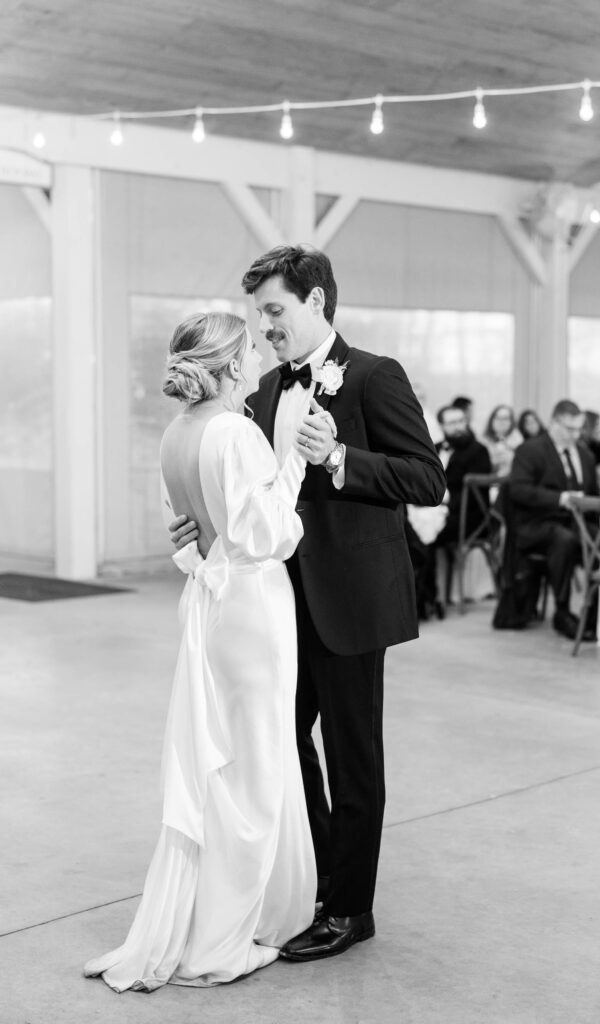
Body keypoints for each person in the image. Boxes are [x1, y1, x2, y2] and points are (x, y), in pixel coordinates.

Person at [169, 245, 446, 962]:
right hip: (275, 606)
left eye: (274, 311)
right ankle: (317, 880)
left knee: (353, 758)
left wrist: (339, 459)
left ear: (316, 301)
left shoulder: (376, 377)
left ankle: (352, 910)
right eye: (259, 313)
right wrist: (204, 520)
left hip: (352, 602)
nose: (264, 328)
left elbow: (426, 479)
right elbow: (254, 498)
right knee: (281, 747)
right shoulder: (260, 391)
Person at [84, 312, 317, 992]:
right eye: (247, 352)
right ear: (227, 365)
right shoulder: (238, 433)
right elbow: (269, 535)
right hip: (251, 607)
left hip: (208, 608)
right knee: (255, 773)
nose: (255, 361)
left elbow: (184, 538)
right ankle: (221, 940)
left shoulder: (176, 433)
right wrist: (295, 464)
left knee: (220, 769)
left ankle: (207, 916)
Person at [508, 399, 600, 640]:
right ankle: (563, 610)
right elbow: (518, 490)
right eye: (570, 429)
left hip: (575, 522)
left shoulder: (585, 454)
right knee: (564, 540)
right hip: (537, 524)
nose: (575, 434)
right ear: (553, 423)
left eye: (579, 429)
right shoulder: (531, 450)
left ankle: (594, 615)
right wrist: (560, 499)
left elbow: (594, 494)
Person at [432, 404, 492, 612]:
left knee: (424, 535)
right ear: (442, 426)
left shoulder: (478, 451)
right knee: (407, 527)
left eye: (461, 421)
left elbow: (475, 498)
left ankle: (431, 597)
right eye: (452, 423)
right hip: (434, 510)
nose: (458, 427)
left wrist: (443, 503)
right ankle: (423, 595)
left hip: (468, 516)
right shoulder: (435, 447)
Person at [481, 403, 523, 476]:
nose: (501, 421)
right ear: (492, 420)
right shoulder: (483, 440)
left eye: (505, 418)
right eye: (498, 417)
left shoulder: (518, 440)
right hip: (487, 480)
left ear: (512, 421)